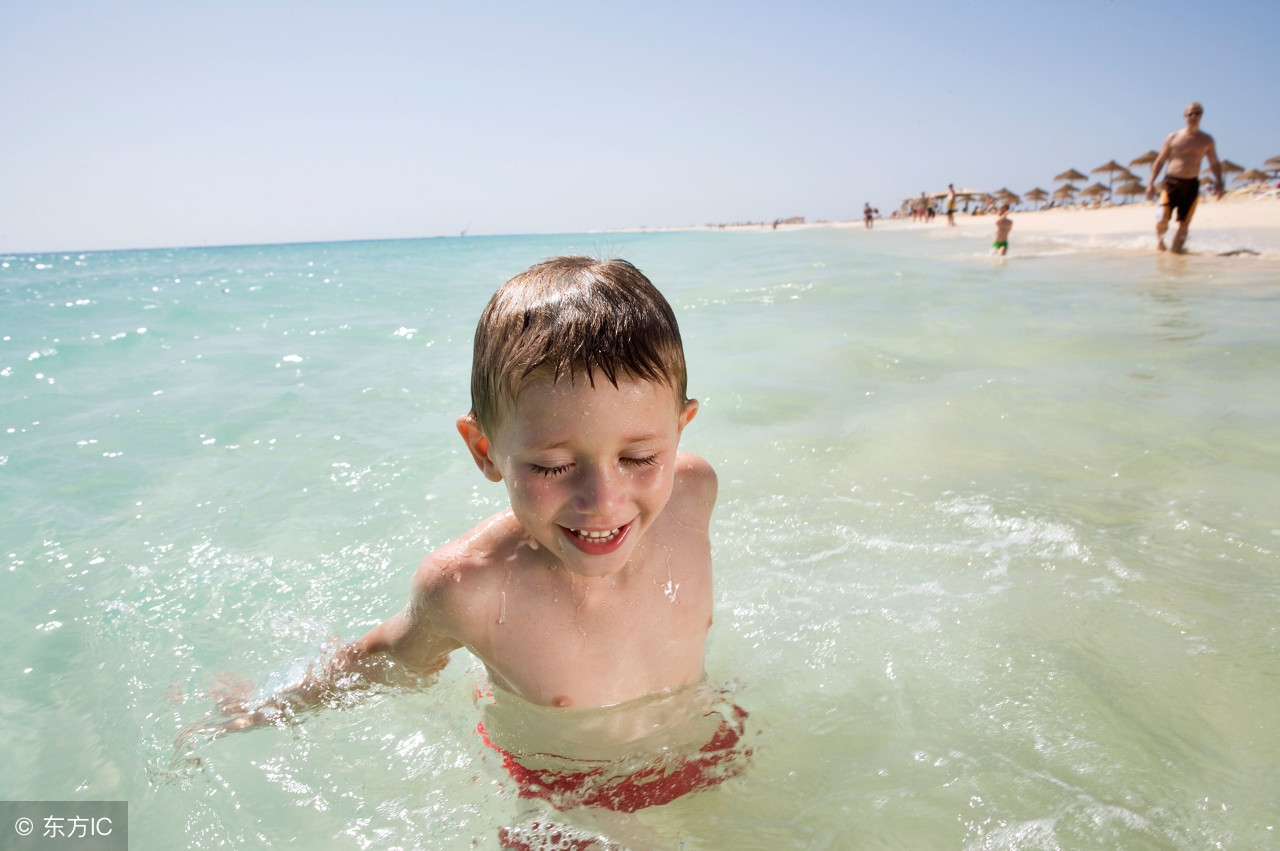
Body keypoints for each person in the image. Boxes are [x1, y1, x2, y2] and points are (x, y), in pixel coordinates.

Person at [187, 256, 747, 815]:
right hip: (568, 795)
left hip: (705, 742)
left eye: (640, 457)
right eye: (552, 466)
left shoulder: (691, 494)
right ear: (485, 451)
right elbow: (383, 660)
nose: (603, 501)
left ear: (680, 429)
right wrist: (264, 706)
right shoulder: (470, 591)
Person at [1146, 101, 1224, 253]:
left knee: (1184, 224)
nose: (1194, 116)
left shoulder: (1207, 140)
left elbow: (1214, 162)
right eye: (1190, 114)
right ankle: (1160, 243)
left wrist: (1219, 182)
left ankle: (1176, 254)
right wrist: (1150, 183)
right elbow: (1160, 160)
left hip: (1191, 185)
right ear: (1185, 117)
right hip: (1171, 183)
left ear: (1201, 116)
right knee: (1162, 220)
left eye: (1197, 113)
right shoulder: (1173, 137)